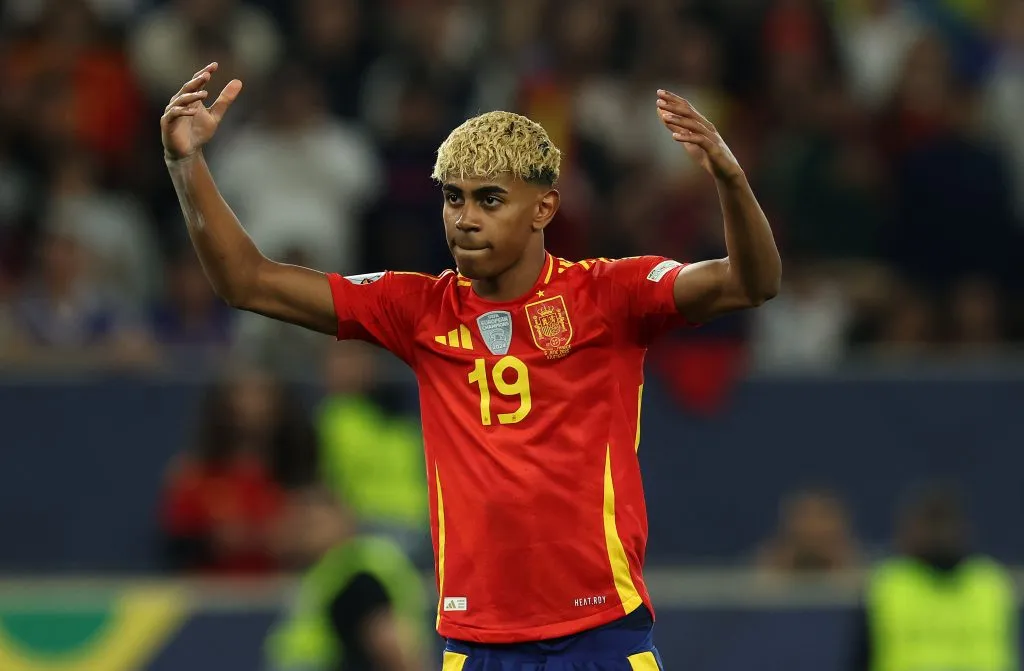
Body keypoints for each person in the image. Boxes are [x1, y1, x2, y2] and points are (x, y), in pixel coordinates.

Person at [161, 62, 781, 670]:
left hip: (599, 636)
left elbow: (752, 282)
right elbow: (250, 282)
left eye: (489, 199)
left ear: (544, 209)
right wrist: (186, 163)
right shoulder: (417, 308)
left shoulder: (608, 295)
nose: (465, 218)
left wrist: (729, 177)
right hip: (475, 644)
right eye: (453, 198)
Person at [849, 483, 1019, 671]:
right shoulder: (889, 584)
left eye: (945, 524)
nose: (940, 534)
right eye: (931, 524)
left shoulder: (990, 583)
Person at [266, 486, 427, 671]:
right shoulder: (325, 576)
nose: (305, 534)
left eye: (315, 523)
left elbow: (394, 646)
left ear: (344, 522)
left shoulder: (357, 579)